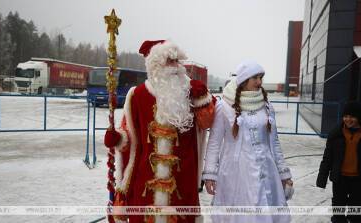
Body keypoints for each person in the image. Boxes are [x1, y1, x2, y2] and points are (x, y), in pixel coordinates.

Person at [104, 40, 216, 223]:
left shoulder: (191, 92)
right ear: (155, 65)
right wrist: (117, 138)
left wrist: (204, 100)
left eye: (177, 61)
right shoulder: (137, 95)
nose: (175, 67)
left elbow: (207, 123)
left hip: (182, 182)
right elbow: (130, 138)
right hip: (145, 180)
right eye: (169, 61)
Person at [202, 60, 293, 223]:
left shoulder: (266, 106)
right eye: (255, 78)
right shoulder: (224, 106)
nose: (259, 82)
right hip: (235, 173)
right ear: (244, 81)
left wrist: (283, 172)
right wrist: (210, 175)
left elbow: (275, 143)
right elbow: (214, 143)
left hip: (266, 170)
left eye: (261, 78)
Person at [316, 101, 361, 223]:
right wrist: (322, 177)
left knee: (356, 207)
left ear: (359, 117)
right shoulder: (336, 134)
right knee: (338, 205)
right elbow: (327, 158)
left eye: (352, 117)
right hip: (339, 178)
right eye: (345, 116)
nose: (348, 119)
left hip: (359, 179)